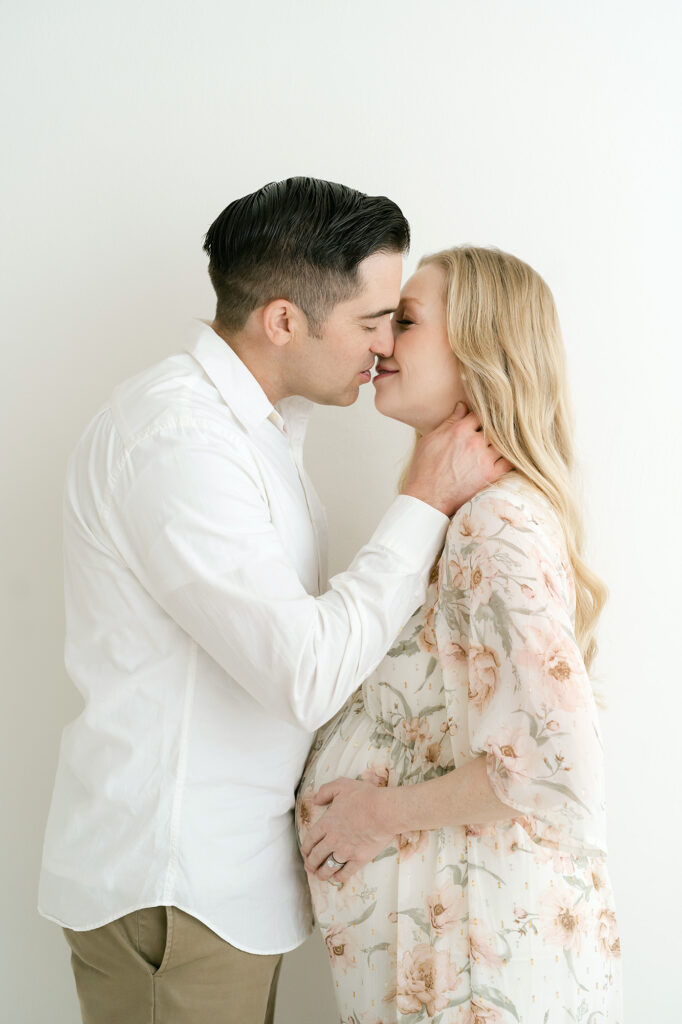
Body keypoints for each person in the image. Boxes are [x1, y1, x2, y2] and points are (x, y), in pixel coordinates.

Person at [38, 179, 511, 1024]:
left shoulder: (254, 434)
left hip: (221, 891)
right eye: (373, 321)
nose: (383, 348)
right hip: (177, 893)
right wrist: (423, 502)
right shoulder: (180, 443)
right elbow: (303, 673)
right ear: (285, 320)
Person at [297, 246, 623, 1023]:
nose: (380, 342)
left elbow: (559, 761)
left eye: (405, 322)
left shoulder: (494, 526)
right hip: (461, 957)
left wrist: (374, 815)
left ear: (480, 351)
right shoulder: (462, 519)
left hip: (476, 971)